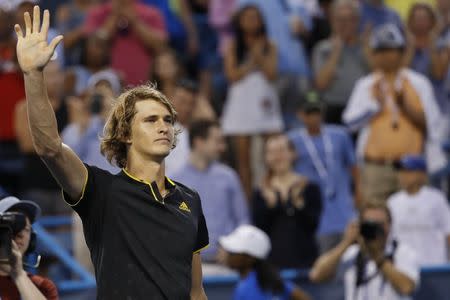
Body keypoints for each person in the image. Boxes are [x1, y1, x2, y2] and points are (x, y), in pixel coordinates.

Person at [14, 6, 208, 299]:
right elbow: (49, 147)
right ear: (126, 134)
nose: (164, 127)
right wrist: (33, 75)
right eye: (151, 120)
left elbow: (196, 292)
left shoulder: (190, 200)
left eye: (168, 119)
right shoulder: (101, 190)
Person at [343, 23, 446, 202]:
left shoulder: (418, 83)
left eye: (391, 50)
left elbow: (433, 124)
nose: (386, 56)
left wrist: (406, 107)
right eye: (380, 50)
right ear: (373, 55)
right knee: (375, 222)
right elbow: (350, 124)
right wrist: (375, 106)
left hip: (411, 168)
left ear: (401, 52)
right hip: (376, 167)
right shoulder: (366, 85)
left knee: (414, 222)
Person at [221, 4, 283, 196]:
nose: (251, 21)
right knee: (244, 161)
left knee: (272, 157)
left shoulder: (270, 45)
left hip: (264, 100)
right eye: (247, 18)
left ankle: (271, 196)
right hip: (241, 102)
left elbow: (272, 73)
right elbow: (232, 75)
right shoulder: (232, 46)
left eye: (255, 17)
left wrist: (258, 55)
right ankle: (247, 203)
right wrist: (252, 62)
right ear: (240, 22)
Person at [288, 91, 358, 253]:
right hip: (316, 214)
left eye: (317, 112)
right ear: (300, 115)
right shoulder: (292, 140)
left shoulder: (340, 135)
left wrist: (358, 194)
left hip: (343, 208)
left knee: (350, 256)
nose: (314, 117)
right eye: (309, 112)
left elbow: (353, 167)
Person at [172, 120, 249, 263]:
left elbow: (243, 220)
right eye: (217, 141)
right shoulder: (174, 181)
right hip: (187, 267)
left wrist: (234, 248)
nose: (222, 147)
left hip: (226, 264)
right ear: (199, 142)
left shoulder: (229, 177)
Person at [309, 201, 420, 300]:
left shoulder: (403, 252)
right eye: (369, 224)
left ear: (389, 225)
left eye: (379, 225)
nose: (375, 230)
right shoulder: (352, 253)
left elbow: (407, 287)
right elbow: (316, 275)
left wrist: (378, 257)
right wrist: (346, 243)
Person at [252, 134, 322, 268]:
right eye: (272, 152)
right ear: (266, 158)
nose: (278, 157)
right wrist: (271, 206)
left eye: (282, 151)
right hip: (272, 267)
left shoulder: (309, 188)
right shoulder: (260, 192)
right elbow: (259, 230)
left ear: (293, 154)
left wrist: (299, 205)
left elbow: (313, 224)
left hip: (305, 263)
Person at [83, 0, 167, 86]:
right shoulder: (97, 13)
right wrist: (114, 16)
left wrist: (135, 21)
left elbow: (160, 46)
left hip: (144, 83)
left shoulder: (151, 13)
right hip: (106, 86)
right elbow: (93, 47)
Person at [219, 224, 311, 300]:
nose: (226, 254)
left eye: (232, 251)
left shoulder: (246, 289)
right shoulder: (274, 281)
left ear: (250, 258)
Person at [388, 155, 450, 266]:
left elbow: (448, 231)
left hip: (433, 266)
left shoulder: (436, 199)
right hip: (404, 268)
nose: (402, 175)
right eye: (400, 171)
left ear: (422, 174)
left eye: (408, 171)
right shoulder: (392, 202)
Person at [313, 0, 369, 124]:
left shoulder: (367, 48)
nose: (345, 25)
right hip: (333, 110)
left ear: (357, 21)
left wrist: (367, 50)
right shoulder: (322, 48)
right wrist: (335, 53)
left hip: (363, 109)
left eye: (350, 19)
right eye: (340, 20)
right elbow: (321, 84)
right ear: (332, 21)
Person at [0, 196, 58, 300]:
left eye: (26, 229)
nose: (21, 234)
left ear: (32, 239)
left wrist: (18, 274)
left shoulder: (43, 286)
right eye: (14, 226)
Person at [164, 78, 200, 176]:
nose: (186, 108)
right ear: (170, 99)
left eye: (191, 103)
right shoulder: (159, 130)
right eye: (182, 101)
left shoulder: (200, 133)